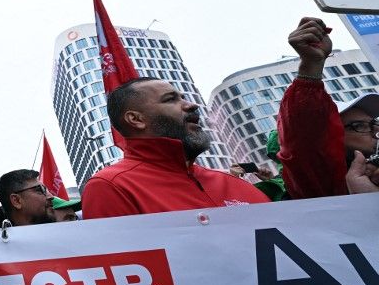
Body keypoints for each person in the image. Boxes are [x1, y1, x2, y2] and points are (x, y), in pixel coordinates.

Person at [83, 77, 270, 219]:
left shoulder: (235, 183)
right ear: (136, 119)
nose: (191, 105)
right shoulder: (111, 187)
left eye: (183, 97)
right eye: (171, 99)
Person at [277, 16, 379, 198]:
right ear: (330, 135)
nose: (374, 132)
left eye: (373, 124)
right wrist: (311, 64)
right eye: (360, 126)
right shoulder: (321, 179)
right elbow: (303, 132)